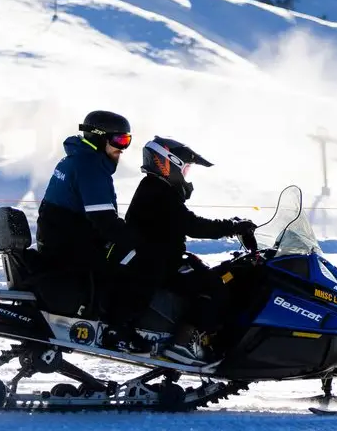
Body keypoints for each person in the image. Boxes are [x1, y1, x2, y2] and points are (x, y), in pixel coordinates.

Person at [124, 136, 256, 364]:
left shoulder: (155, 187)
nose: (185, 175)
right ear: (168, 163)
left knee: (212, 274)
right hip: (158, 261)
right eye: (184, 168)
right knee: (216, 287)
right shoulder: (158, 191)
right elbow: (192, 225)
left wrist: (231, 225)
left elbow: (184, 222)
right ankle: (183, 342)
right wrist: (232, 227)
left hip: (158, 258)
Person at [36, 110, 150, 349]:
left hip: (63, 240)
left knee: (125, 254)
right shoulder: (91, 165)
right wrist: (139, 242)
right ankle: (117, 329)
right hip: (71, 246)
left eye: (127, 140)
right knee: (142, 263)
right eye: (119, 140)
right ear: (99, 137)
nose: (123, 148)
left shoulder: (76, 157)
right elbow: (104, 220)